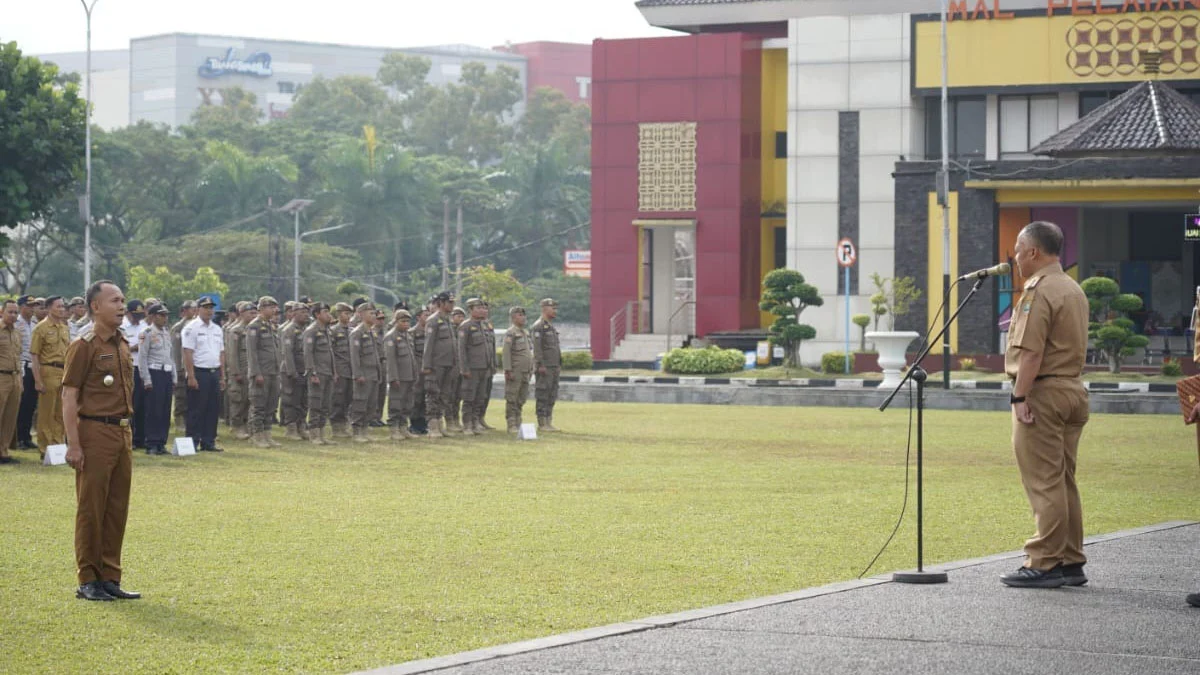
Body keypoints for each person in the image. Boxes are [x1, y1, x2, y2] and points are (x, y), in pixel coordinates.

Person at [1001, 221, 1090, 589]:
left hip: (1044, 394)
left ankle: (1045, 560)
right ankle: (1070, 559)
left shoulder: (1039, 291)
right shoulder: (1072, 288)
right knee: (1064, 479)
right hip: (1072, 390)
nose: (1016, 258)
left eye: (1019, 250)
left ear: (1033, 252)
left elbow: (1032, 352)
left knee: (1045, 482)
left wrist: (1020, 396)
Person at [63, 280, 140, 602]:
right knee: (91, 508)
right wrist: (74, 443)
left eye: (122, 300)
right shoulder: (85, 344)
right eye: (114, 301)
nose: (122, 306)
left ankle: (110, 575)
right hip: (94, 431)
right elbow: (68, 395)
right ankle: (88, 579)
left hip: (122, 431)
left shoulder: (122, 342)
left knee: (116, 508)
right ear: (95, 307)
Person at [182, 297, 225, 452]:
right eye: (206, 307)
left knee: (212, 409)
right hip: (199, 372)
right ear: (198, 309)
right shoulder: (191, 327)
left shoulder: (217, 329)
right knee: (196, 409)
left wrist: (222, 376)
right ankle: (192, 441)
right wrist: (191, 376)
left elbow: (221, 354)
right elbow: (187, 352)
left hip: (214, 372)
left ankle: (208, 441)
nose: (209, 310)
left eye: (211, 308)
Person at [30, 296, 69, 459]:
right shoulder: (41, 328)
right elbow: (34, 356)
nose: (62, 309)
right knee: (46, 412)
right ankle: (45, 448)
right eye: (58, 306)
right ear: (49, 308)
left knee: (61, 412)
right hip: (48, 370)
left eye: (63, 306)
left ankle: (58, 446)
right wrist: (38, 380)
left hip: (63, 371)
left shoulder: (64, 327)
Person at [138, 303, 174, 455]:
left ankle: (161, 442)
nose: (165, 318)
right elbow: (142, 357)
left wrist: (174, 376)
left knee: (165, 409)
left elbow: (171, 356)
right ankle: (151, 442)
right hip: (154, 372)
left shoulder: (166, 332)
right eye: (161, 315)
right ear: (153, 316)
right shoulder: (147, 332)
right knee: (154, 409)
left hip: (166, 373)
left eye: (166, 315)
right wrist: (146, 379)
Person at [422, 292, 459, 438]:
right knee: (433, 394)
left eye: (452, 302)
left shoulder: (448, 320)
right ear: (441, 303)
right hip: (436, 364)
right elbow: (429, 345)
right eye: (449, 302)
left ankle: (439, 423)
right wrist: (427, 365)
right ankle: (432, 426)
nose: (452, 305)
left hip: (449, 364)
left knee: (444, 396)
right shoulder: (433, 320)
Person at [246, 297, 281, 448]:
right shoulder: (254, 326)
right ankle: (257, 435)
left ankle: (267, 434)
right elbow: (252, 352)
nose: (274, 310)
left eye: (274, 307)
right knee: (259, 405)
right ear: (261, 308)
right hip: (262, 372)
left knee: (271, 406)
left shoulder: (270, 326)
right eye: (271, 307)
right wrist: (256, 373)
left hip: (273, 371)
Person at [457, 299, 496, 435]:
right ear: (471, 310)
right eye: (479, 308)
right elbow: (461, 350)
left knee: (480, 397)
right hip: (472, 369)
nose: (483, 311)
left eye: (485, 308)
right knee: (469, 397)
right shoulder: (465, 326)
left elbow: (491, 347)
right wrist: (464, 368)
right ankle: (467, 424)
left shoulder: (486, 326)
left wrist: (492, 365)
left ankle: (475, 422)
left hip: (484, 368)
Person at [303, 302, 337, 446]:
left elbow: (330, 353)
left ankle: (322, 433)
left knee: (326, 405)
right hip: (318, 373)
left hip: (328, 372)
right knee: (315, 404)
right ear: (317, 315)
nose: (328, 315)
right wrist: (312, 372)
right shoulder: (311, 331)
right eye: (325, 312)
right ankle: (314, 434)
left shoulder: (327, 331)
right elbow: (308, 353)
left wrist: (334, 371)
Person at [348, 303, 382, 443]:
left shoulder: (371, 332)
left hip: (373, 373)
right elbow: (355, 356)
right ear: (360, 315)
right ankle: (357, 431)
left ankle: (365, 429)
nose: (373, 316)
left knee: (371, 404)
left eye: (374, 313)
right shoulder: (357, 333)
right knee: (360, 402)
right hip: (363, 373)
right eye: (370, 313)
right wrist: (358, 374)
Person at [384, 309, 417, 441]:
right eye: (403, 321)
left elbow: (411, 357)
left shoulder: (408, 336)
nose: (406, 324)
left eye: (408, 321)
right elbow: (390, 360)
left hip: (409, 375)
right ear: (396, 321)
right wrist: (393, 377)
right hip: (398, 377)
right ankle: (394, 429)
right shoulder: (391, 336)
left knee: (407, 404)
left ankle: (404, 427)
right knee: (396, 403)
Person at [120, 300, 148, 450]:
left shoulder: (144, 326)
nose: (138, 318)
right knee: (128, 404)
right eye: (135, 315)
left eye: (140, 315)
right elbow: (121, 348)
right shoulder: (121, 326)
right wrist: (135, 347)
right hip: (127, 368)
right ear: (128, 313)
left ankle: (140, 438)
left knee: (141, 404)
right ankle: (128, 436)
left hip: (141, 369)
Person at [281, 303, 311, 441]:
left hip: (304, 370)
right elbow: (287, 353)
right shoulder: (289, 330)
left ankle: (301, 426)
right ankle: (291, 428)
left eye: (307, 312)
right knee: (291, 400)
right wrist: (292, 373)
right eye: (302, 312)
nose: (306, 314)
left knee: (303, 401)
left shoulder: (306, 329)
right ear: (294, 313)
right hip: (292, 371)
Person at [532, 298, 562, 432]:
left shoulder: (550, 326)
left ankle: (549, 421)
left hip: (554, 366)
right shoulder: (539, 326)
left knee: (552, 394)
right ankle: (542, 422)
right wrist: (541, 364)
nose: (555, 311)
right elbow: (538, 348)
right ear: (544, 308)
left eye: (556, 308)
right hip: (545, 367)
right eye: (553, 308)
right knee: (543, 393)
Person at [502, 306, 534, 434]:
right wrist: (507, 369)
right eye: (520, 315)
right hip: (515, 370)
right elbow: (506, 352)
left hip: (526, 370)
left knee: (521, 397)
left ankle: (518, 420)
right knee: (512, 397)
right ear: (513, 317)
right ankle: (511, 423)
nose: (523, 318)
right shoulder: (511, 332)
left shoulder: (524, 332)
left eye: (524, 315)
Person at [15, 295, 39, 450]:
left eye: (33, 306)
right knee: (20, 404)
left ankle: (26, 436)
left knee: (30, 404)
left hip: (33, 367)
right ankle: (17, 438)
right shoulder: (16, 324)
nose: (32, 309)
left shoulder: (36, 324)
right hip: (20, 366)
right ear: (21, 307)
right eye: (29, 306)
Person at [0, 301, 22, 464]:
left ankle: (4, 450)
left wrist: (20, 379)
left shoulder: (17, 333)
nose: (13, 315)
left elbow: (18, 356)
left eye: (16, 312)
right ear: (2, 312)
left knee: (10, 416)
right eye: (10, 312)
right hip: (1, 377)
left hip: (15, 377)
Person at [328, 302, 354, 438]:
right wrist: (334, 371)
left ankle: (344, 424)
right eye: (346, 313)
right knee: (338, 398)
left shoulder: (352, 331)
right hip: (340, 369)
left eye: (350, 314)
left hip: (351, 370)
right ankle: (336, 426)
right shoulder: (333, 331)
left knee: (348, 398)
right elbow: (331, 352)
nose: (348, 316)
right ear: (338, 315)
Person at [171, 300, 197, 431]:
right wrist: (178, 367)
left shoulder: (198, 325)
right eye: (192, 309)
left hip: (195, 364)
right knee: (181, 394)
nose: (194, 311)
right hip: (182, 365)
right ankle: (179, 418)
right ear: (185, 311)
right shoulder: (178, 327)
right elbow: (176, 349)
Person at [408, 306, 429, 435]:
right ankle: (414, 423)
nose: (428, 317)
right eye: (425, 315)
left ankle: (423, 423)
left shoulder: (431, 332)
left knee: (426, 397)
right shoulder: (412, 332)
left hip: (429, 369)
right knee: (416, 397)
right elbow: (412, 354)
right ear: (418, 317)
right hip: (418, 369)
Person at [448, 306, 467, 433]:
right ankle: (449, 420)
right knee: (450, 395)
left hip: (461, 366)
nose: (460, 319)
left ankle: (456, 418)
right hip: (451, 366)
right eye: (457, 316)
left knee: (458, 395)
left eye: (462, 316)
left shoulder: (464, 330)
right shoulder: (449, 330)